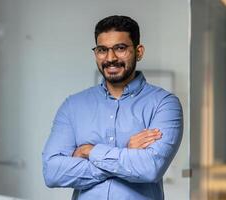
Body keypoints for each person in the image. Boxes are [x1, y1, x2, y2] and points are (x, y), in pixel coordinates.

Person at [42, 15, 183, 200]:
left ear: (139, 52)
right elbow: (52, 172)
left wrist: (89, 152)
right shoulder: (73, 105)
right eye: (102, 50)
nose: (110, 58)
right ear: (96, 54)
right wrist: (127, 154)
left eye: (120, 48)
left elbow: (151, 168)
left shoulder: (164, 103)